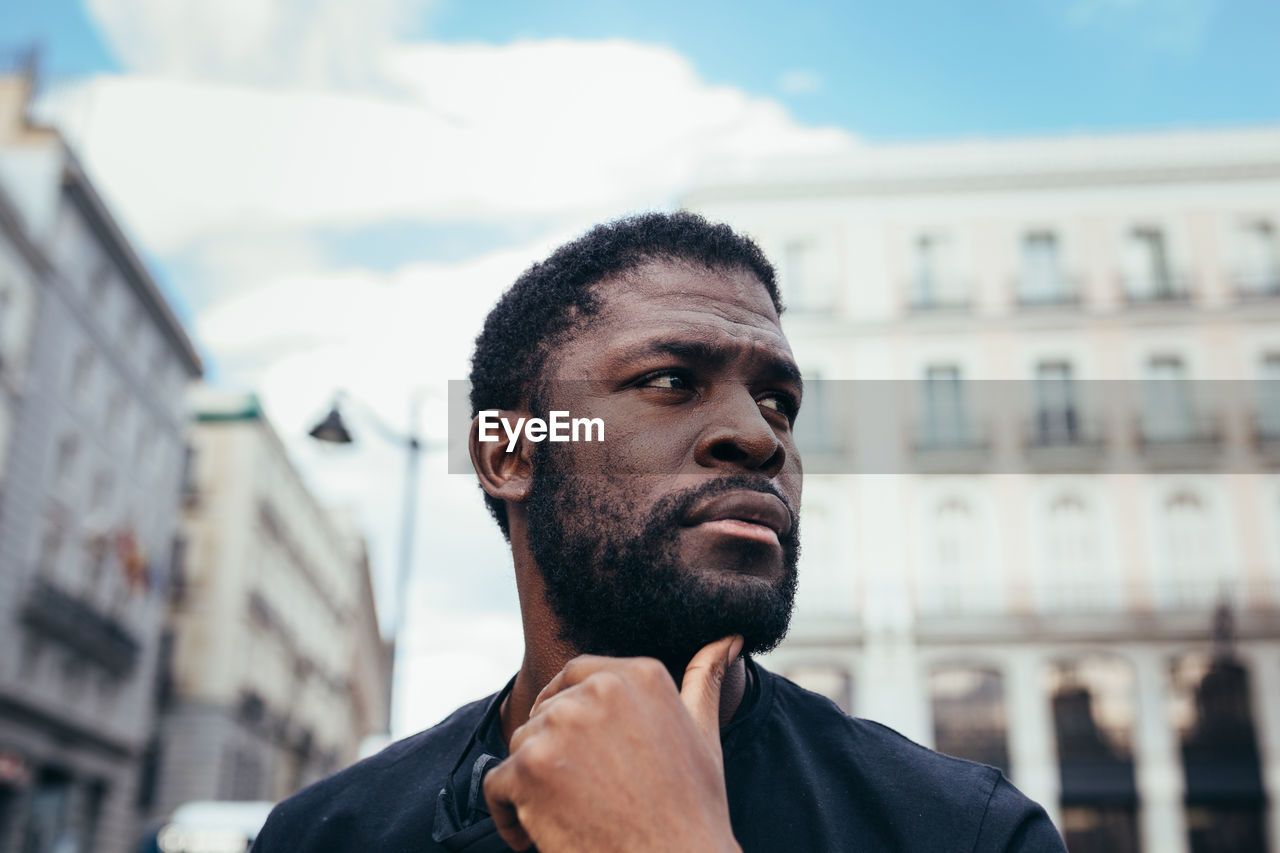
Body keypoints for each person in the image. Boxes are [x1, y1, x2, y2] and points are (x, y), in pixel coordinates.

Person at [251, 212, 1065, 852]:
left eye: (780, 400)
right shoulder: (327, 834)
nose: (760, 435)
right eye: (671, 380)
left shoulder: (966, 833)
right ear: (507, 452)